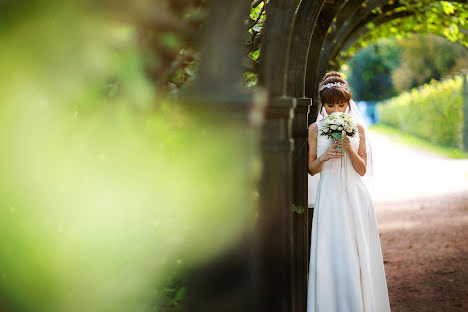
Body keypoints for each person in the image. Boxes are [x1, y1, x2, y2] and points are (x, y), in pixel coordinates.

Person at [307, 72, 391, 312]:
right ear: (323, 105)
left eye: (341, 104)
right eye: (330, 105)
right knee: (332, 247)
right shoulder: (315, 129)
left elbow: (362, 170)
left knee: (356, 249)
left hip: (355, 195)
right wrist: (324, 156)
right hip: (329, 194)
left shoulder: (359, 129)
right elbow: (311, 169)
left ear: (347, 104)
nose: (336, 110)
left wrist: (349, 150)